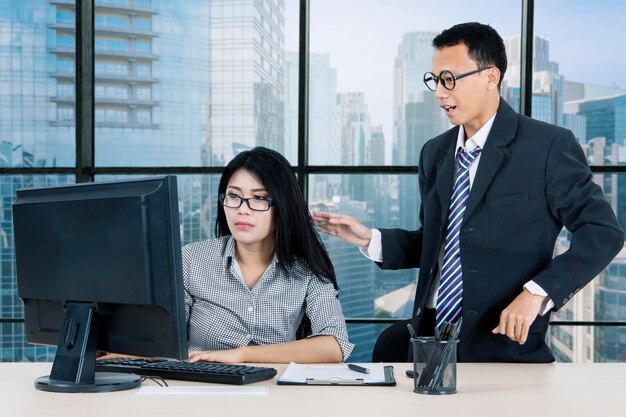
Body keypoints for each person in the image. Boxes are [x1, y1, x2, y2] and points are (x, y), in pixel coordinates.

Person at [313, 22, 624, 363]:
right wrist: (369, 238)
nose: (439, 93)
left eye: (449, 79)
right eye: (434, 81)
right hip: (428, 336)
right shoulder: (435, 153)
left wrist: (537, 293)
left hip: (500, 342)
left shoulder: (547, 146)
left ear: (490, 77)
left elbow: (602, 233)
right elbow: (437, 242)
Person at [185, 147, 353, 363]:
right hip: (202, 387)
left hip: (277, 390)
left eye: (259, 198)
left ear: (282, 206)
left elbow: (334, 345)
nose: (243, 209)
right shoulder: (192, 259)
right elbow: (162, 342)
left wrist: (242, 355)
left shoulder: (306, 269)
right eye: (234, 196)